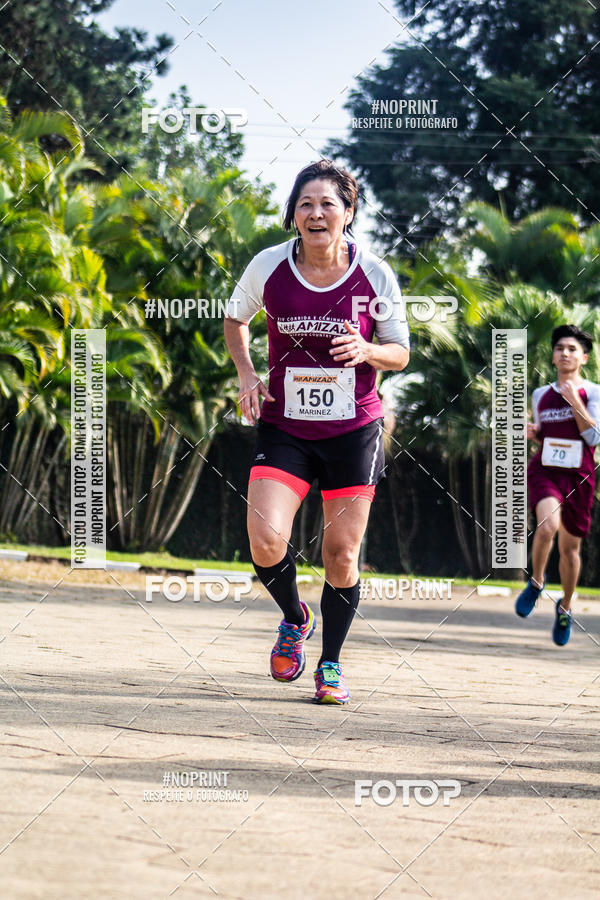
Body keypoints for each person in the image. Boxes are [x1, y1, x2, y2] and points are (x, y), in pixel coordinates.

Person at [224, 160, 410, 703]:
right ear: (293, 214)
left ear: (348, 213)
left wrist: (368, 349)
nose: (316, 213)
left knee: (341, 554)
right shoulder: (269, 267)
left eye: (328, 203)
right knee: (264, 538)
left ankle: (330, 665)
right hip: (285, 424)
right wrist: (247, 371)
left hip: (354, 429)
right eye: (305, 203)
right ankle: (293, 616)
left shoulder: (374, 274)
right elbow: (236, 318)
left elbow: (399, 352)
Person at [515, 324, 600, 645]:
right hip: (545, 470)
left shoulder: (593, 392)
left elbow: (594, 436)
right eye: (559, 348)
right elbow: (548, 434)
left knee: (570, 548)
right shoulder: (540, 394)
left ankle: (565, 606)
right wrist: (534, 432)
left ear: (584, 358)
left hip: (580, 474)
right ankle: (536, 582)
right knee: (547, 526)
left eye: (572, 349)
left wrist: (574, 400)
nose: (564, 353)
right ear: (553, 356)